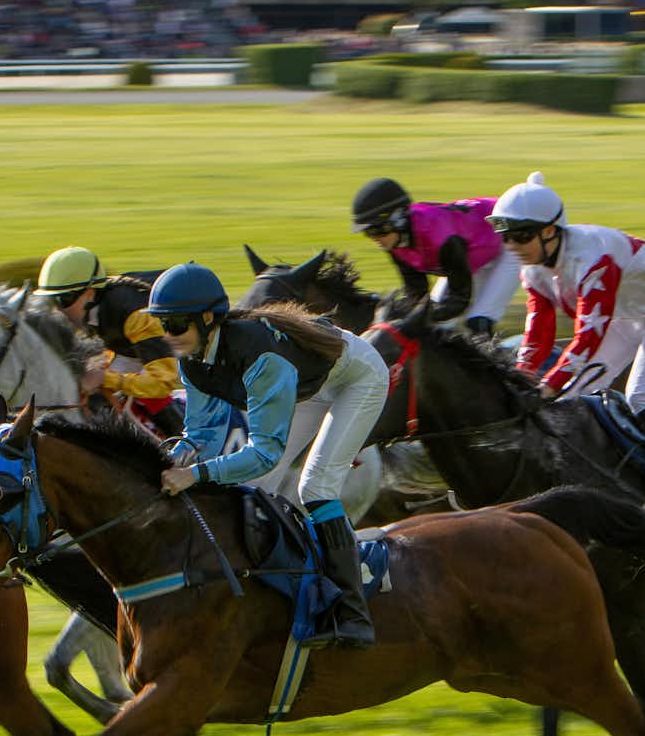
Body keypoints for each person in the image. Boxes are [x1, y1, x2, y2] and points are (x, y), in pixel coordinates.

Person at [146, 262, 387, 648]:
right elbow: (202, 433)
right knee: (248, 487)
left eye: (176, 325)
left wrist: (196, 475)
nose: (169, 336)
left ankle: (351, 613)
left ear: (208, 319)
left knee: (316, 487)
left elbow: (265, 453)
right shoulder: (192, 360)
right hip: (309, 384)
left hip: (358, 379)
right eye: (163, 325)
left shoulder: (261, 359)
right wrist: (176, 458)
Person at [490, 171, 645, 506]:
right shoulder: (533, 268)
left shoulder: (592, 258)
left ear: (549, 230)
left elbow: (588, 337)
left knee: (641, 396)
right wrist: (522, 379)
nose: (511, 246)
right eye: (503, 236)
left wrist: (546, 386)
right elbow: (538, 333)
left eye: (519, 236)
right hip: (623, 316)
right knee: (572, 402)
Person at [349, 177, 518, 339]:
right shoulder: (395, 241)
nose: (375, 239)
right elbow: (417, 293)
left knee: (478, 322)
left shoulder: (439, 236)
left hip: (509, 241)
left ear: (398, 221)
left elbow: (459, 300)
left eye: (377, 231)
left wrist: (418, 315)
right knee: (433, 326)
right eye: (368, 233)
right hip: (471, 256)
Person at [34, 246, 182, 430]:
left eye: (64, 299)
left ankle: (185, 445)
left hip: (190, 352)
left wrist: (105, 378)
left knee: (147, 394)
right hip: (133, 348)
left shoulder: (137, 316)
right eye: (51, 301)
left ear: (89, 293)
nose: (58, 310)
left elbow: (161, 384)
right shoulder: (88, 308)